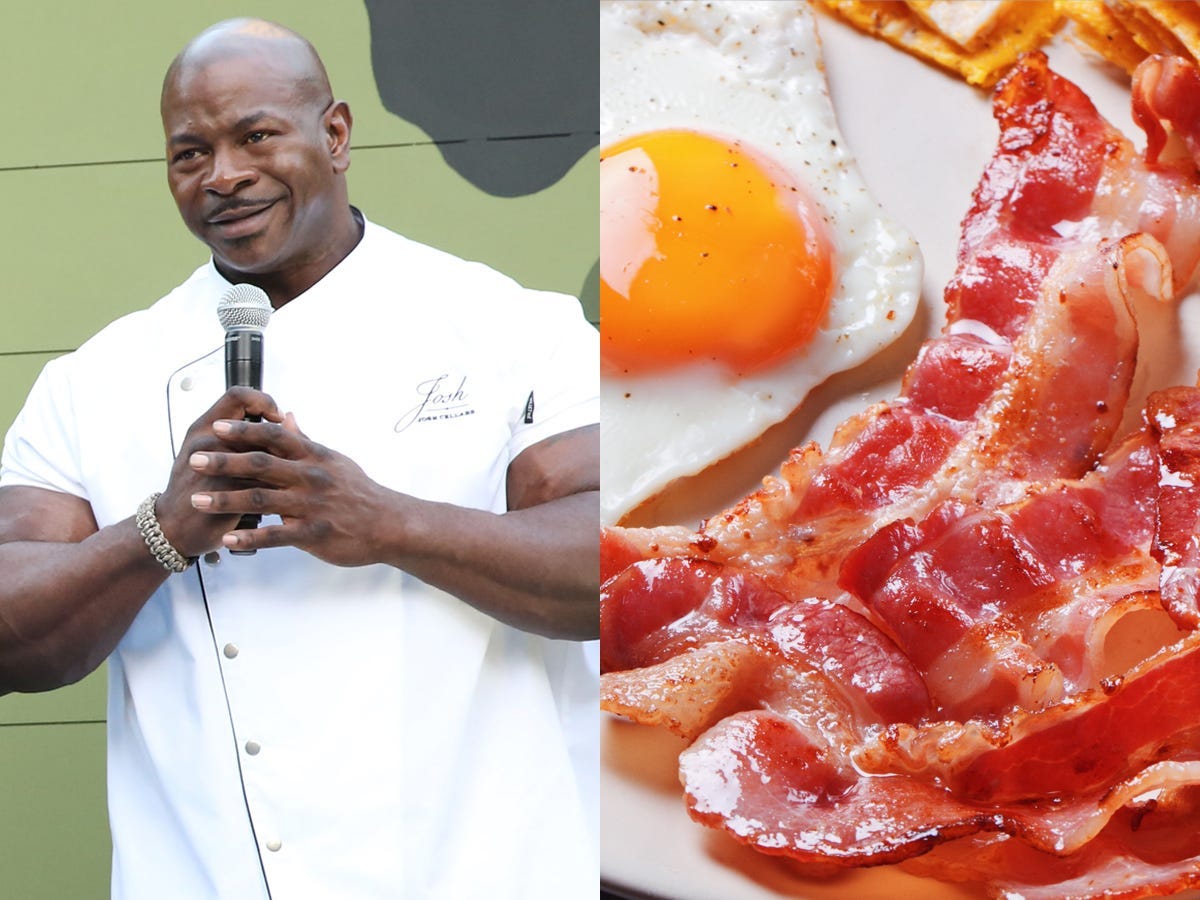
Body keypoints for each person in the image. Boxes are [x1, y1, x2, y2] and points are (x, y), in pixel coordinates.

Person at [0, 18, 598, 900]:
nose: (224, 175)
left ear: (337, 133)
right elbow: (13, 636)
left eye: (256, 135)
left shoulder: (512, 328)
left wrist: (384, 521)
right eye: (189, 153)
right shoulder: (96, 378)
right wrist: (161, 532)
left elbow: (615, 571)